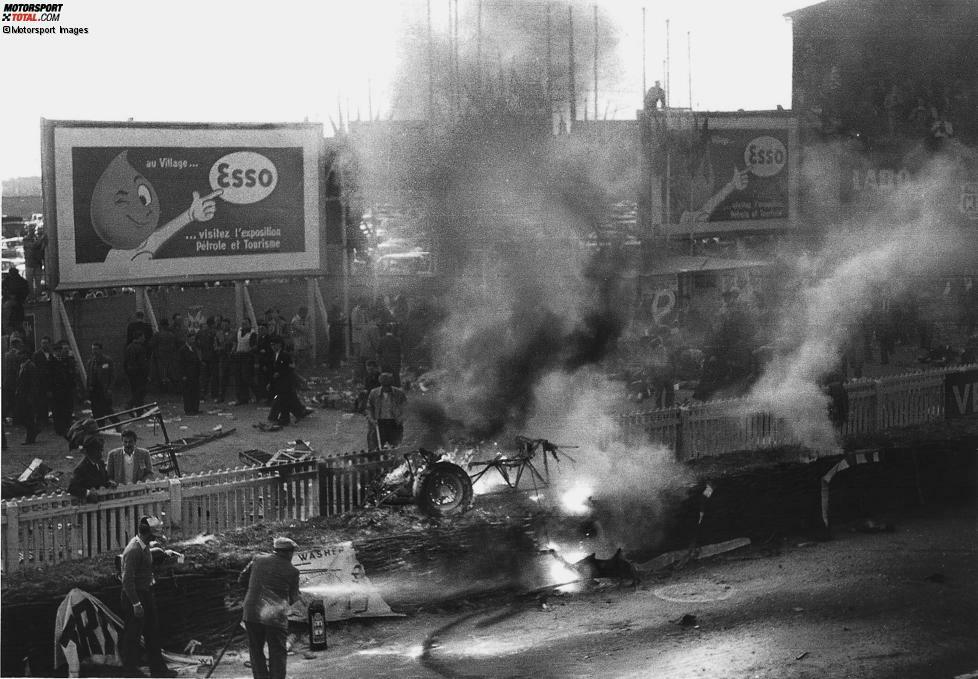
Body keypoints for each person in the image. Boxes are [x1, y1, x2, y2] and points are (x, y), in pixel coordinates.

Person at [120, 515, 178, 678]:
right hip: (135, 596)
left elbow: (147, 562)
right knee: (133, 635)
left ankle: (158, 670)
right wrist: (136, 604)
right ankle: (130, 672)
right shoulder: (133, 550)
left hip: (146, 592)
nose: (156, 538)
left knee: (152, 632)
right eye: (155, 535)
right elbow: (127, 580)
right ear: (149, 534)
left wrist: (164, 554)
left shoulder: (144, 546)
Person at [238, 536, 300, 679]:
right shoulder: (293, 571)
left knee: (255, 650)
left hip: (251, 613)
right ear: (290, 553)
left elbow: (241, 580)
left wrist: (253, 595)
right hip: (274, 617)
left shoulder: (257, 559)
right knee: (277, 651)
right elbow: (294, 598)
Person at [266, 336, 308, 426]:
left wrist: (280, 373)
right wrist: (271, 382)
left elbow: (290, 368)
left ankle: (284, 418)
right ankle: (298, 412)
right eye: (271, 345)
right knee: (287, 399)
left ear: (279, 345)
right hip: (279, 382)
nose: (272, 347)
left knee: (283, 400)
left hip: (286, 381)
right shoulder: (274, 355)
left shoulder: (285, 355)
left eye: (274, 345)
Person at [366, 372, 406, 450]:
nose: (386, 388)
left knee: (396, 448)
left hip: (394, 424)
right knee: (375, 448)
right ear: (381, 383)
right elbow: (369, 408)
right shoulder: (374, 393)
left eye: (388, 385)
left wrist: (401, 419)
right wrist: (372, 419)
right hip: (379, 424)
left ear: (391, 383)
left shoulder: (399, 393)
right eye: (384, 385)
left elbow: (406, 408)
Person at [68, 437, 114, 501]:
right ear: (89, 452)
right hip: (89, 506)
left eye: (101, 450)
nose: (101, 454)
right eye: (97, 451)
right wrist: (88, 493)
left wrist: (109, 482)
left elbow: (105, 478)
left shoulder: (100, 463)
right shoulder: (81, 468)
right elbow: (72, 487)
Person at [50, 340, 78, 436]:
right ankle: (59, 428)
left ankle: (66, 425)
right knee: (57, 409)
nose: (58, 353)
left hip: (66, 389)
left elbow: (70, 375)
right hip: (56, 390)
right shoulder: (51, 362)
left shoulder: (65, 361)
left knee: (67, 408)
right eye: (56, 351)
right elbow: (49, 377)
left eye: (59, 351)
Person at [15, 348, 40, 444]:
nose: (19, 356)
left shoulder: (30, 366)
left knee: (27, 416)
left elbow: (34, 383)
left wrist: (31, 396)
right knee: (23, 416)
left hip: (28, 395)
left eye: (21, 354)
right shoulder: (22, 366)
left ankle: (30, 437)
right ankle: (34, 431)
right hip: (22, 395)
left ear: (25, 355)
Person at [87, 342, 115, 420]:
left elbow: (112, 376)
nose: (94, 351)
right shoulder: (90, 362)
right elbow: (88, 377)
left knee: (108, 409)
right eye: (93, 349)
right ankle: (100, 427)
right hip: (94, 390)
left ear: (101, 350)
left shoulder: (107, 361)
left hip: (104, 389)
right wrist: (88, 390)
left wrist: (110, 388)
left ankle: (118, 426)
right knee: (96, 411)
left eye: (96, 349)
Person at [232, 318, 257, 405]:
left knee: (246, 377)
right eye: (243, 323)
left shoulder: (252, 333)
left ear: (249, 324)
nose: (244, 325)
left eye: (246, 323)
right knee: (238, 378)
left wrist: (249, 352)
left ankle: (257, 394)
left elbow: (254, 346)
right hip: (238, 356)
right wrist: (233, 350)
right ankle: (242, 398)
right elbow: (236, 341)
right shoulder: (239, 331)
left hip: (247, 356)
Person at [32, 335, 56, 426]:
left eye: (46, 343)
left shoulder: (51, 355)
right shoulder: (36, 355)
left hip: (49, 382)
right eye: (42, 343)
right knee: (40, 402)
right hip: (40, 383)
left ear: (49, 344)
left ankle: (45, 419)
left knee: (47, 402)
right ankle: (41, 420)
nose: (44, 345)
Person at [178, 330, 202, 415]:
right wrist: (183, 375)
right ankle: (188, 409)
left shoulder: (194, 348)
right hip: (187, 374)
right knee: (188, 392)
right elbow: (181, 363)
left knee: (195, 391)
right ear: (187, 339)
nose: (193, 341)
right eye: (191, 339)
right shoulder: (183, 350)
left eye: (194, 339)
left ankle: (195, 408)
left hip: (194, 373)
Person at [124, 333, 151, 409]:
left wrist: (127, 371)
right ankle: (130, 404)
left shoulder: (128, 347)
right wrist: (147, 374)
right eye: (143, 337)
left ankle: (139, 408)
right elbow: (142, 363)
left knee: (135, 390)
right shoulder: (140, 348)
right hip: (139, 373)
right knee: (141, 391)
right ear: (139, 337)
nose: (144, 339)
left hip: (131, 372)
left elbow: (125, 361)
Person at [22, 226, 47, 302]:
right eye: (31, 230)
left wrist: (43, 241)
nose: (32, 232)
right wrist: (41, 239)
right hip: (29, 264)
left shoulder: (36, 238)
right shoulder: (26, 239)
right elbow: (33, 246)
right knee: (30, 282)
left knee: (38, 282)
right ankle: (31, 296)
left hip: (37, 263)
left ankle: (38, 296)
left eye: (33, 230)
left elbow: (42, 248)